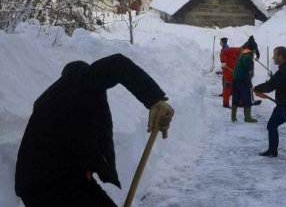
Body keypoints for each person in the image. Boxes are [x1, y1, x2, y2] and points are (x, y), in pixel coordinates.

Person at [15, 54, 174, 207]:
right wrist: (155, 100)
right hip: (54, 182)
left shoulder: (52, 99)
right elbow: (117, 63)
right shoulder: (83, 80)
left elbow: (74, 135)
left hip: (38, 181)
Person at [231, 42, 258, 123]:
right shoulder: (249, 55)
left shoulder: (242, 53)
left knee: (236, 96)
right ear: (253, 49)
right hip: (243, 80)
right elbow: (247, 64)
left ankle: (233, 116)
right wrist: (250, 69)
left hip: (235, 79)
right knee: (246, 97)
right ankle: (247, 117)